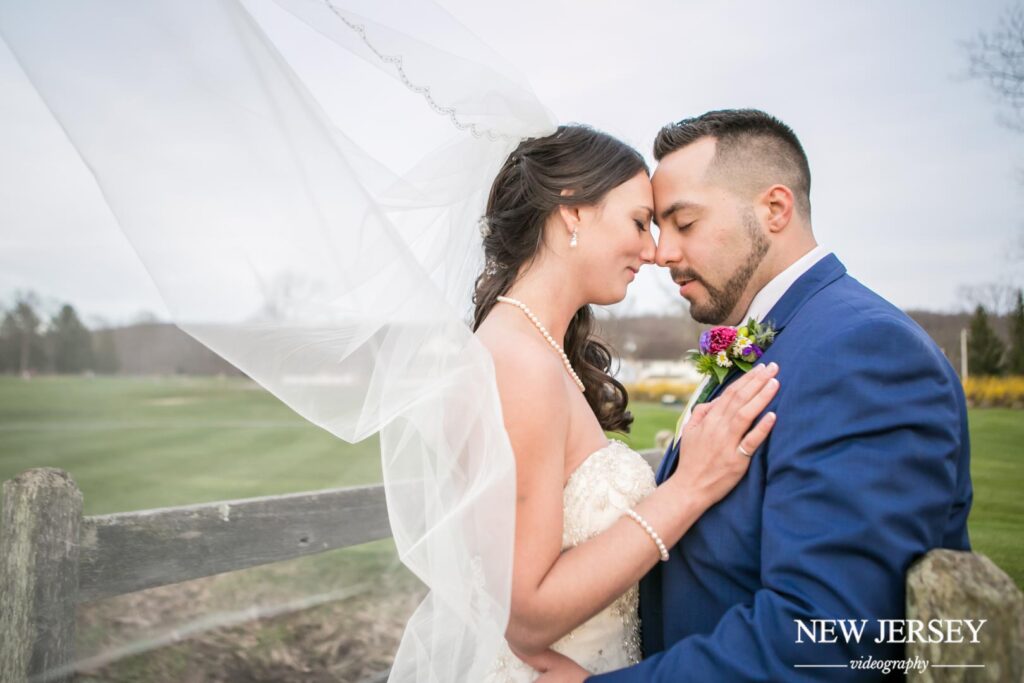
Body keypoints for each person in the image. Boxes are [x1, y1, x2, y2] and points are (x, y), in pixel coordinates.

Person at [537, 109, 974, 682]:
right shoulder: (777, 337)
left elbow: (825, 639)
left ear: (774, 209)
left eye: (684, 223)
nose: (662, 253)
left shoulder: (867, 353)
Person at [470, 125, 781, 680]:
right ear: (573, 213)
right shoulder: (519, 362)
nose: (654, 250)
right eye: (640, 222)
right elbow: (529, 615)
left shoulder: (540, 348)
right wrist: (689, 489)